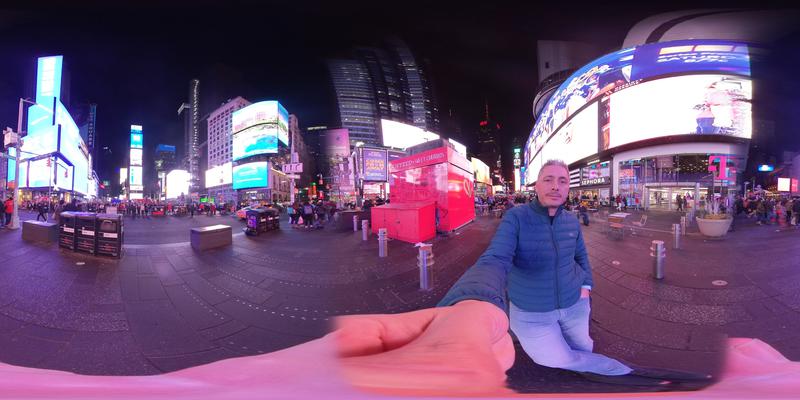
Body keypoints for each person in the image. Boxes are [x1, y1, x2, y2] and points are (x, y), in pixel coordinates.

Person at [437, 160, 641, 380]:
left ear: (568, 188)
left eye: (562, 181)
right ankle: (616, 371)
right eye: (548, 180)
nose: (555, 186)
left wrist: (586, 286)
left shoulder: (571, 221)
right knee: (551, 358)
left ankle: (585, 373)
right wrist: (470, 299)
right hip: (530, 311)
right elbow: (496, 257)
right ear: (537, 186)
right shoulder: (516, 218)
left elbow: (581, 256)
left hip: (575, 303)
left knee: (583, 346)